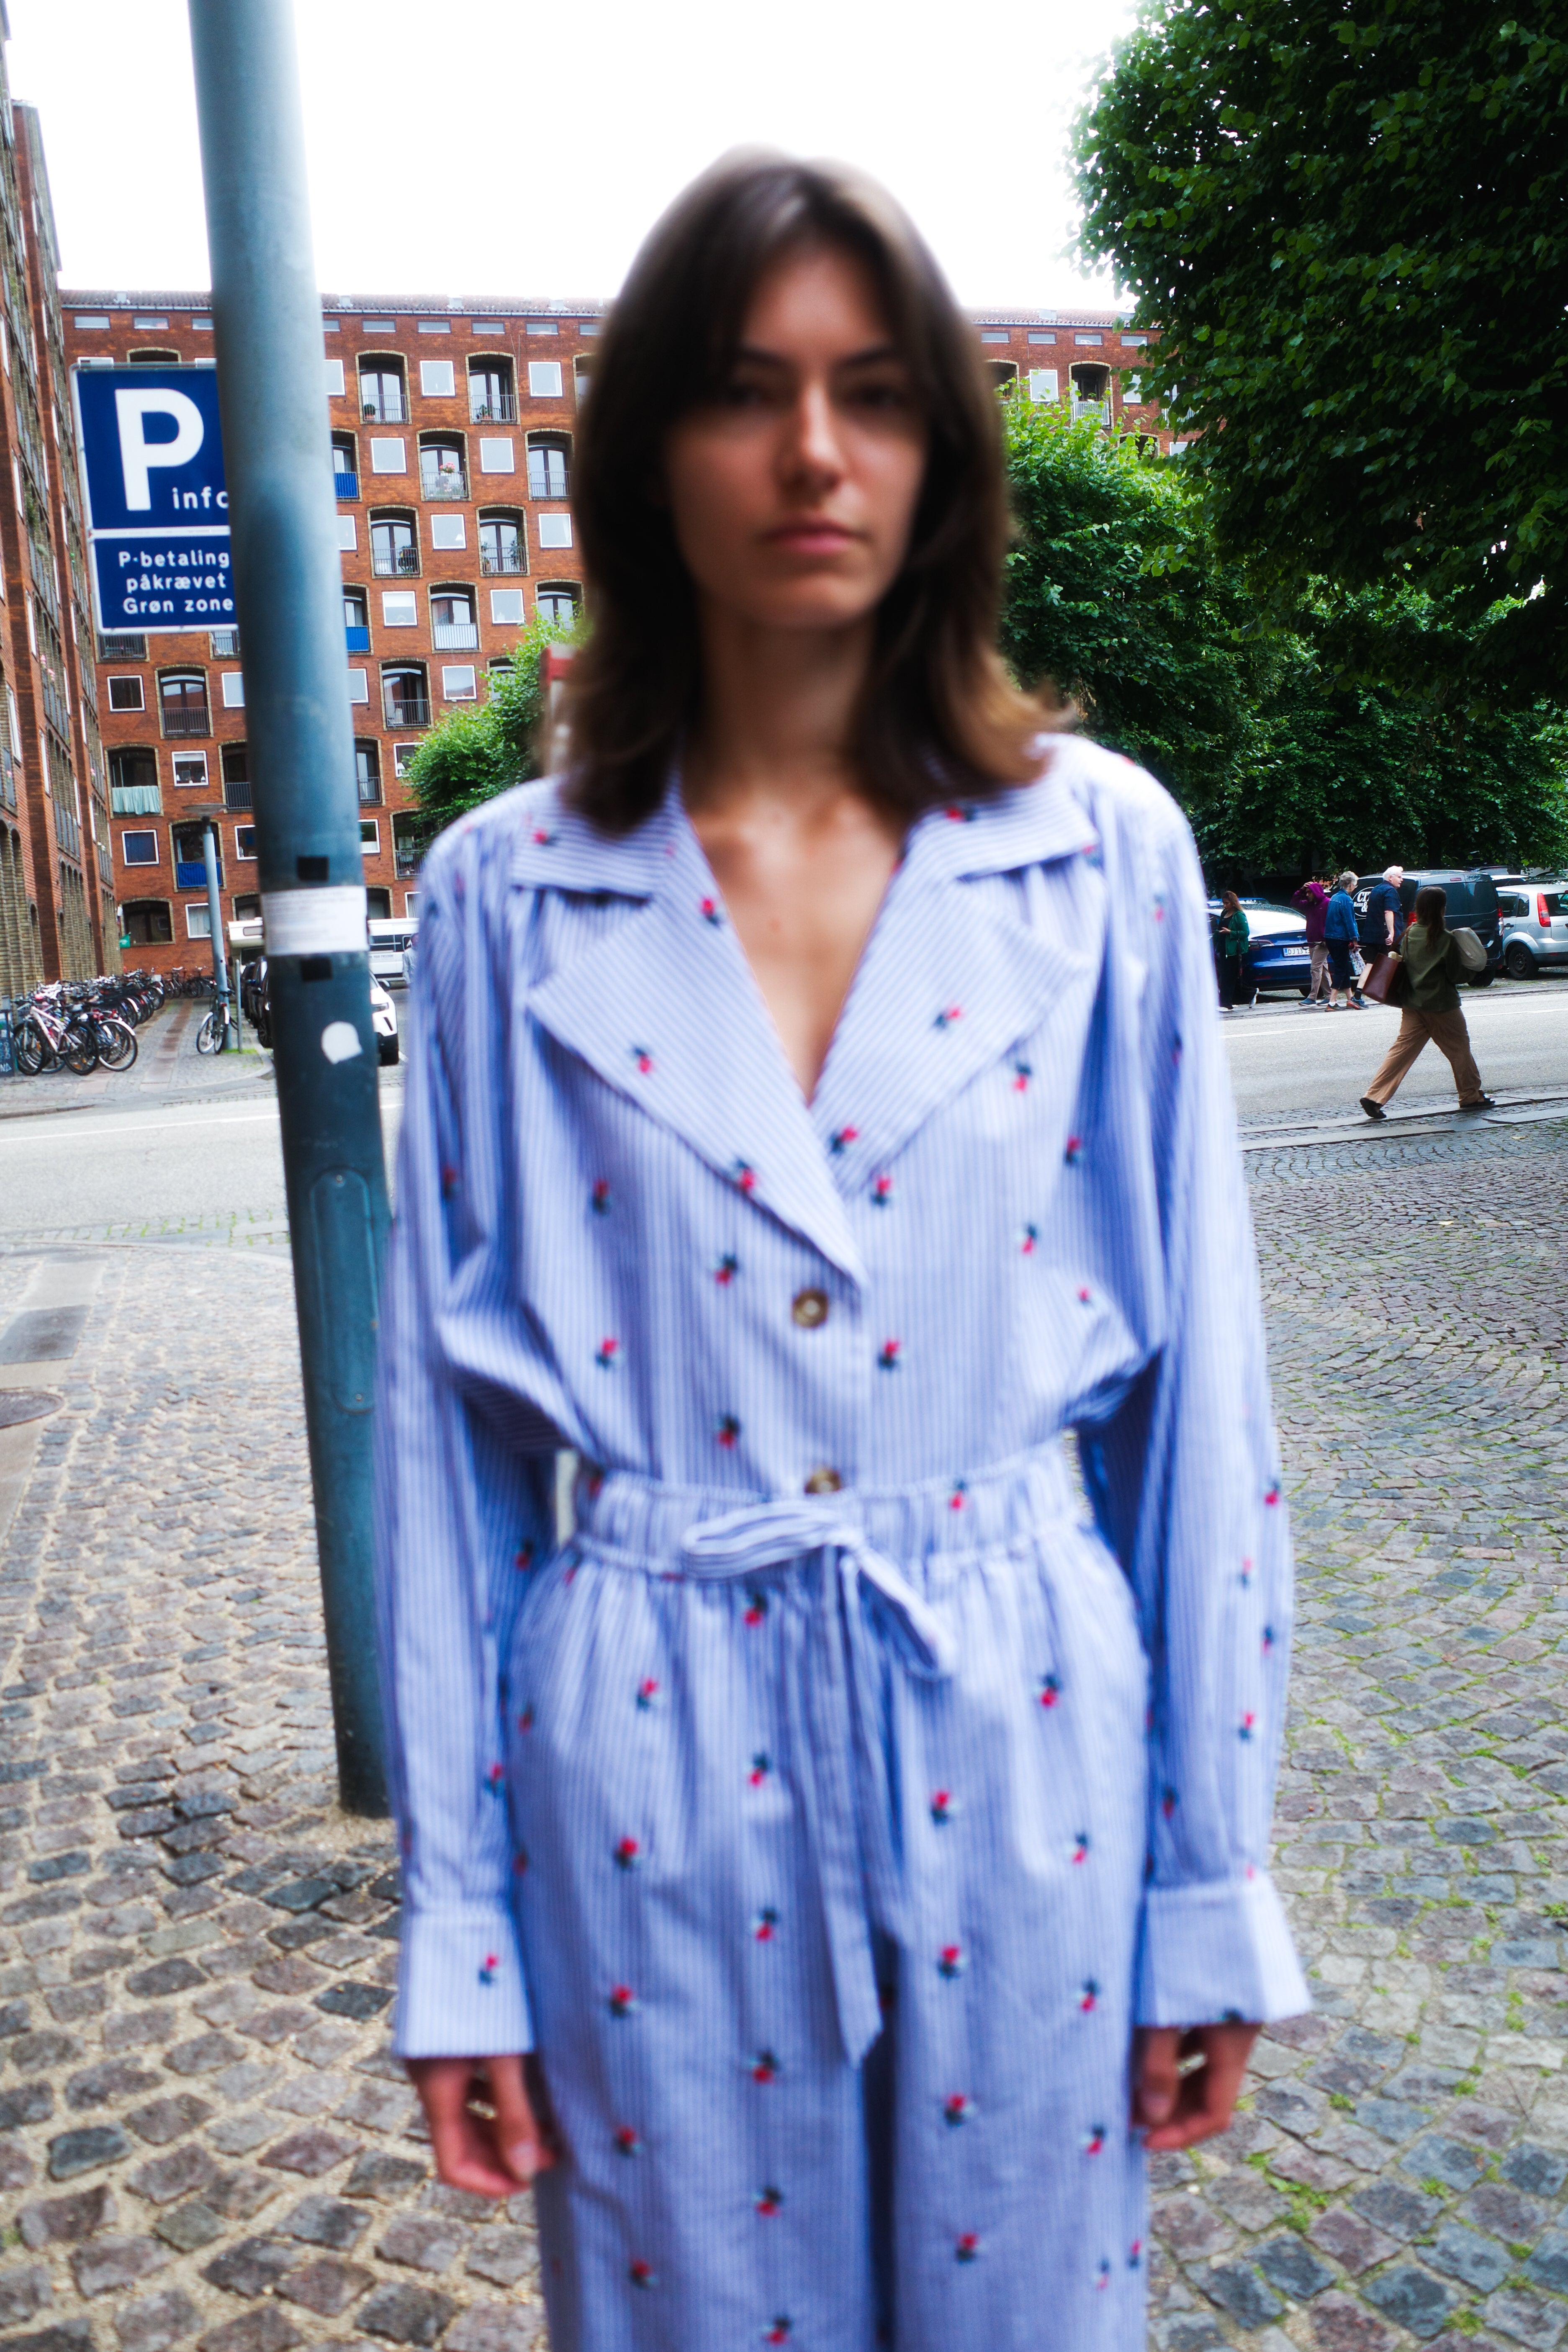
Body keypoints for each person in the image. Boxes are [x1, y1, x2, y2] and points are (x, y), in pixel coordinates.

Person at [375, 154, 1307, 2352]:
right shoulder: (511, 895)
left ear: (943, 454)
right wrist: (464, 1934)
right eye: (745, 390)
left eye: (875, 393)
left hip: (1026, 1718)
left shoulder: (1100, 856)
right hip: (649, 1746)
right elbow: (441, 1455)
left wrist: (1201, 1883)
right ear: (638, 460)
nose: (814, 452)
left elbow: (1206, 1413)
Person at [1359, 884, 1495, 1118]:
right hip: (1442, 1006)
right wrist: (1473, 973)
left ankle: (1374, 1097)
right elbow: (1455, 976)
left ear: (1419, 908)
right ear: (1441, 909)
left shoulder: (1410, 934)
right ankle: (1471, 1096)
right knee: (1459, 1050)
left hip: (1412, 1004)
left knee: (1401, 1052)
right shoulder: (1446, 939)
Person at [1324, 871, 1364, 1009]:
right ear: (1351, 885)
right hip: (1340, 938)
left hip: (1331, 937)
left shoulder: (1335, 897)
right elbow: (1350, 921)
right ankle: (1332, 1002)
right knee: (1341, 970)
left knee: (1345, 969)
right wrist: (1355, 939)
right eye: (1356, 884)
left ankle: (1350, 999)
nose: (1356, 887)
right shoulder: (1346, 900)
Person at [1290, 874, 1332, 1006]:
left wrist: (1327, 938)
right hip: (1312, 941)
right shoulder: (1309, 905)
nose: (1308, 895)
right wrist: (1302, 890)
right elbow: (1294, 903)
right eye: (1307, 892)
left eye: (1310, 892)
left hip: (1323, 942)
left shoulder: (1327, 903)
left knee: (1315, 968)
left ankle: (1313, 997)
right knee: (1323, 968)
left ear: (1317, 893)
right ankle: (1329, 996)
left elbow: (1332, 922)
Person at [1213, 888, 1251, 1012]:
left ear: (1233, 903)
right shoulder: (1224, 913)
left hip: (1234, 950)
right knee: (1225, 976)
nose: (1225, 906)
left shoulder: (1239, 915)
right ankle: (1251, 993)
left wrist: (1231, 932)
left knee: (1229, 977)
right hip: (1224, 948)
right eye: (1224, 903)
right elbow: (1219, 929)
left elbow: (1245, 933)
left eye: (1227, 903)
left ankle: (1226, 1004)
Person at [1360, 864, 1406, 964]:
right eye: (1399, 877)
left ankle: (1363, 981)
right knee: (1389, 968)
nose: (1402, 880)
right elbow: (1388, 911)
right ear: (1390, 878)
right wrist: (1392, 933)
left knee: (1370, 965)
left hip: (1372, 937)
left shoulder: (1375, 890)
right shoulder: (1390, 891)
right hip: (1386, 939)